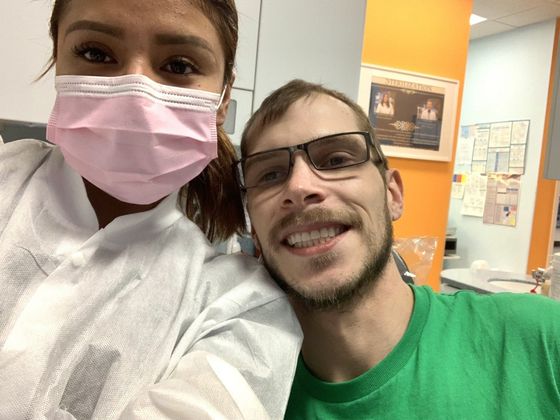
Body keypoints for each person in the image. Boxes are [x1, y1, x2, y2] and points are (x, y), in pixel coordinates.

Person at [0, 1, 302, 418]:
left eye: (178, 65)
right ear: (58, 61)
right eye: (95, 54)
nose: (135, 93)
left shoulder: (241, 310)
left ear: (223, 97)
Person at [236, 79, 560, 419]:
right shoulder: (236, 395)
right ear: (254, 231)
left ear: (393, 194)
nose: (300, 187)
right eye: (270, 175)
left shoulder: (539, 340)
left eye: (335, 160)